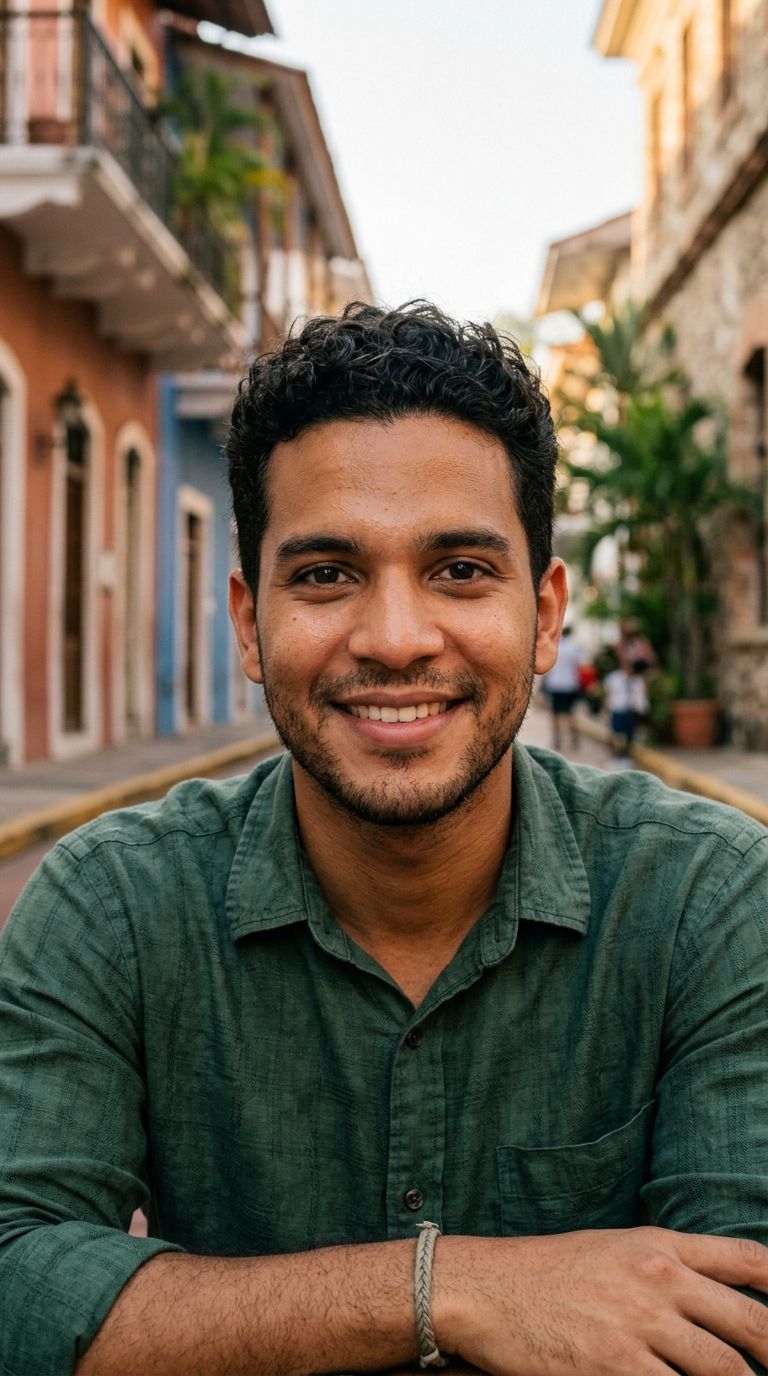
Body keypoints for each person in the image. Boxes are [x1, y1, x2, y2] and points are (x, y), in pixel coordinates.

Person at [1, 303, 767, 1376]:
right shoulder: (111, 902)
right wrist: (442, 1286)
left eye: (460, 569)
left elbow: (737, 1310)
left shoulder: (707, 898)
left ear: (546, 614)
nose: (397, 638)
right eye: (326, 574)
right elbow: (15, 1277)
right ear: (250, 622)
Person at [540, 625, 582, 751]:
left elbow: (548, 668)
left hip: (556, 685)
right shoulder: (574, 648)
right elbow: (579, 667)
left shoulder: (555, 647)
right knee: (570, 713)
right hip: (570, 685)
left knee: (555, 714)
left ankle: (557, 739)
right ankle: (574, 738)